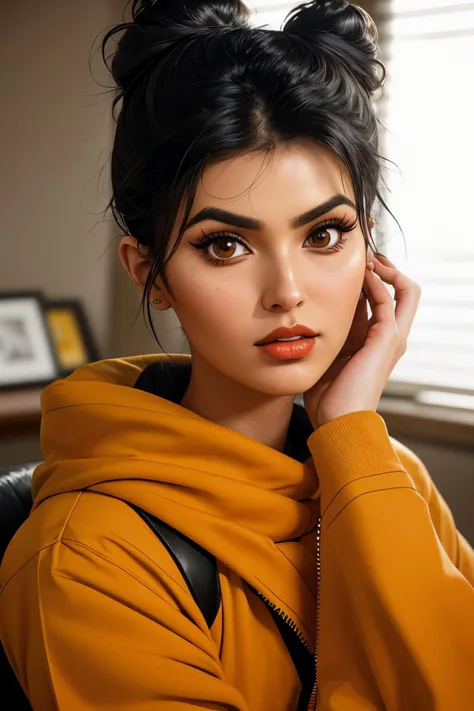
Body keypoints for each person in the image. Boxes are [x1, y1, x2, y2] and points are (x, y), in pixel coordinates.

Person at [1, 0, 473, 709]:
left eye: (324, 235)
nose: (286, 292)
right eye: (225, 244)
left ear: (369, 247)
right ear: (149, 272)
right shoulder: (85, 558)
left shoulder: (381, 470)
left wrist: (350, 434)